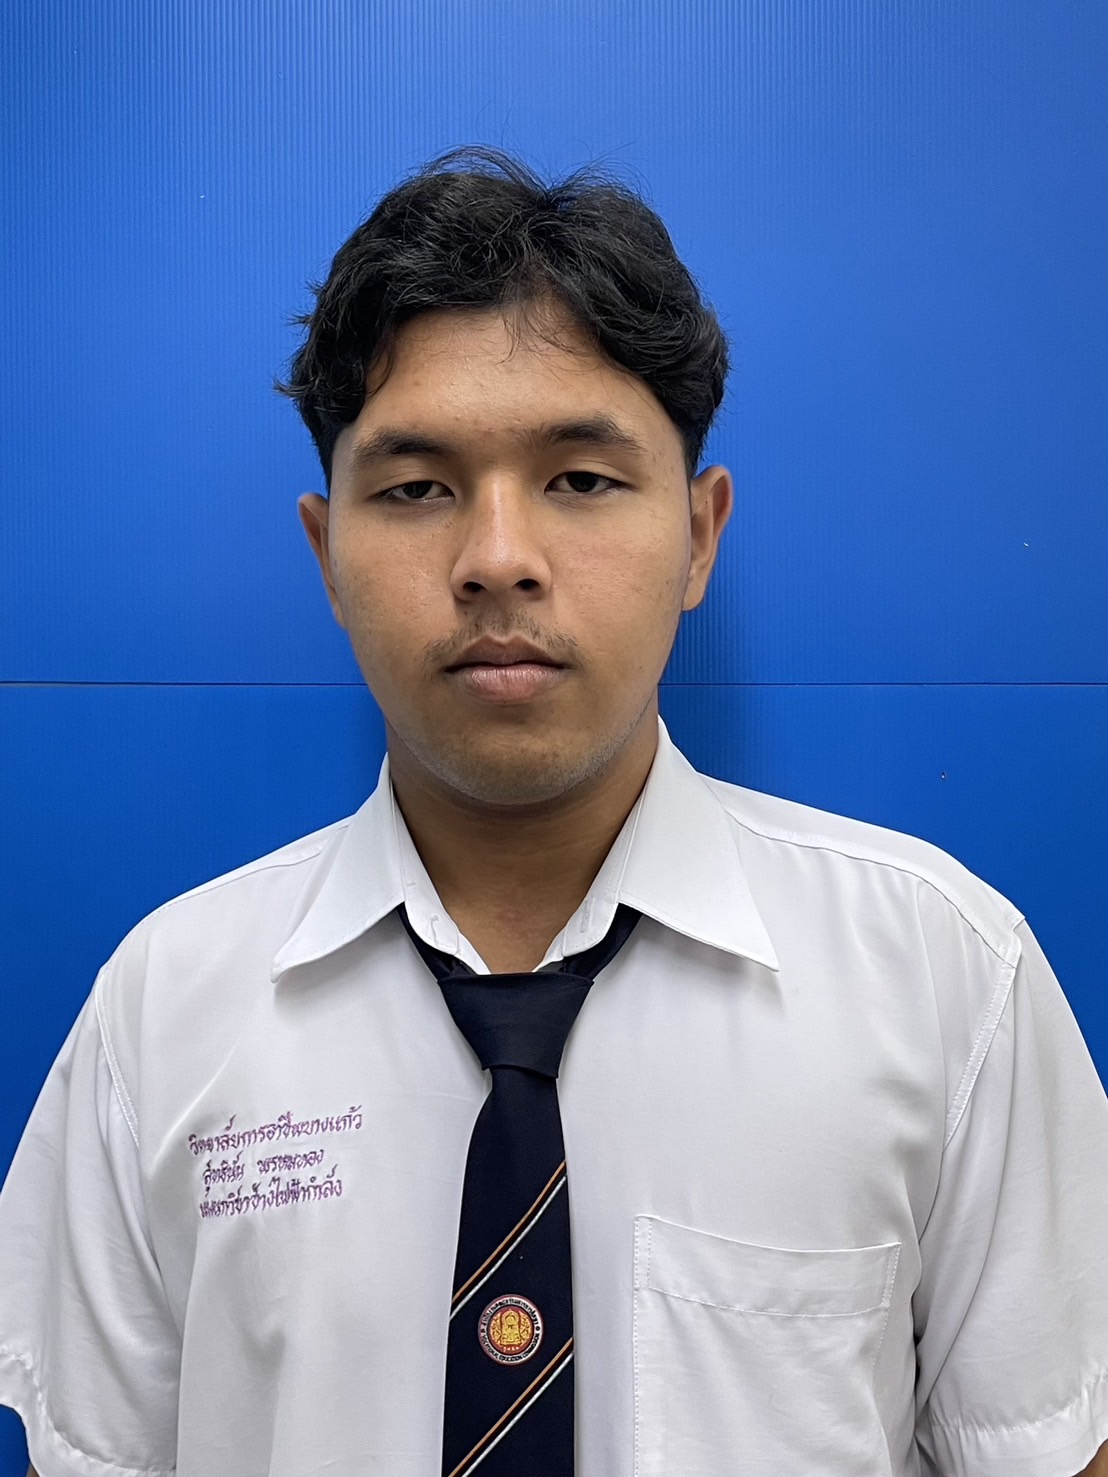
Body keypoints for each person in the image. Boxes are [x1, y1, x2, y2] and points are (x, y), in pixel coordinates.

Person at [1, 145, 1105, 1477]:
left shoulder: (942, 980)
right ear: (327, 554)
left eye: (581, 479)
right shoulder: (164, 1011)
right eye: (416, 488)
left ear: (699, 535)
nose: (498, 559)